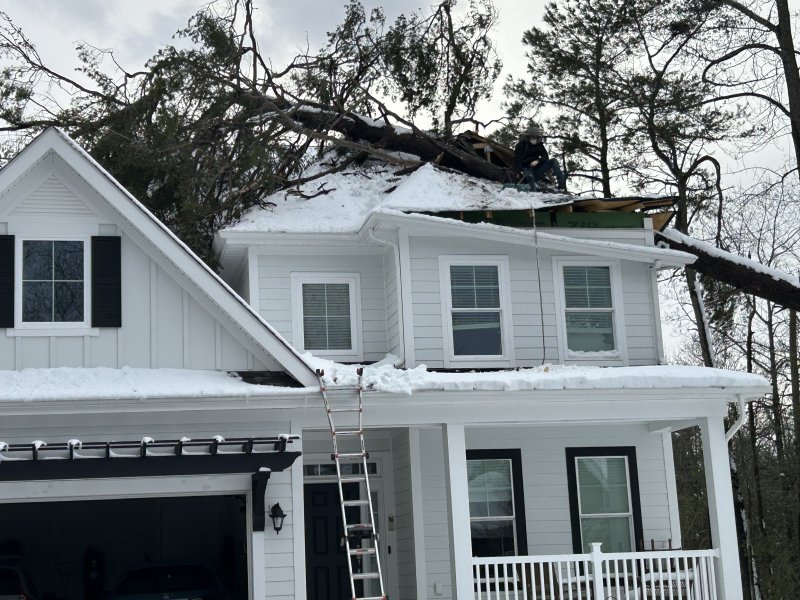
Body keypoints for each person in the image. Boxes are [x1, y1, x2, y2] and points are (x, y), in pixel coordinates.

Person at [514, 124, 566, 191]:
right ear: (528, 137)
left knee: (554, 161)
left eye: (535, 137)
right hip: (526, 170)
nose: (534, 139)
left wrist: (538, 161)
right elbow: (517, 159)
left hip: (537, 171)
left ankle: (561, 185)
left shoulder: (540, 145)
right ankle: (533, 190)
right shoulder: (521, 145)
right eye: (532, 137)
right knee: (530, 180)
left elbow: (545, 156)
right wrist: (520, 170)